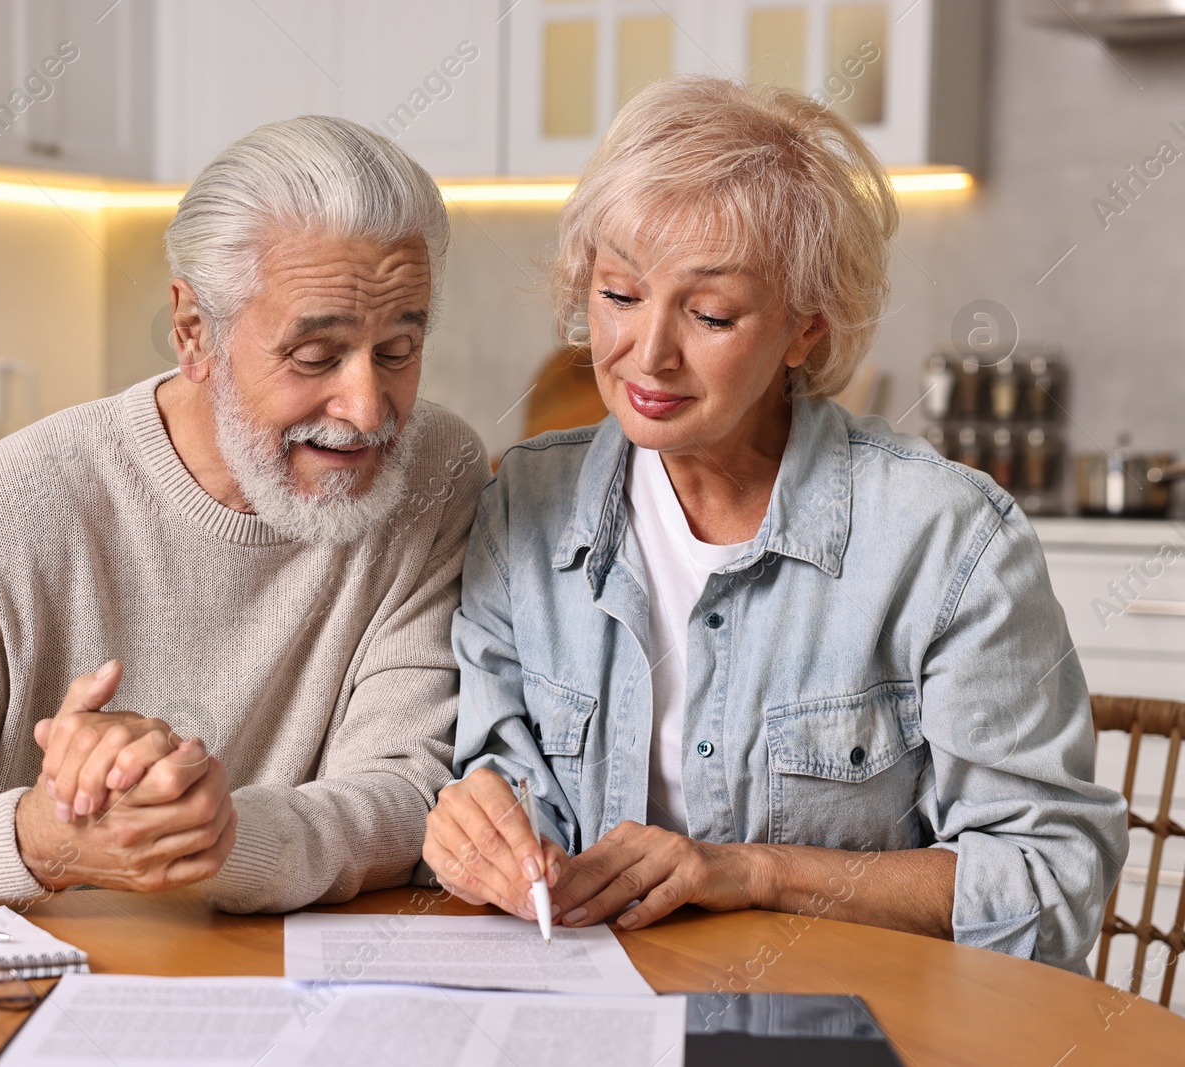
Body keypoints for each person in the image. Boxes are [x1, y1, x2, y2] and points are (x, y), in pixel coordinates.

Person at [421, 76, 1127, 972]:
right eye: (618, 295)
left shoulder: (946, 538)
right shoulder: (523, 506)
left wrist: (752, 871)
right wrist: (477, 825)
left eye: (710, 313)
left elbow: (1048, 882)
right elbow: (505, 784)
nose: (648, 353)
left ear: (805, 326)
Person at [0, 115, 488, 925]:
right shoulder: (25, 501)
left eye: (399, 351)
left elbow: (411, 789)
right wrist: (34, 840)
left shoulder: (434, 472)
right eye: (316, 356)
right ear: (194, 333)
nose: (368, 409)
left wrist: (219, 834)